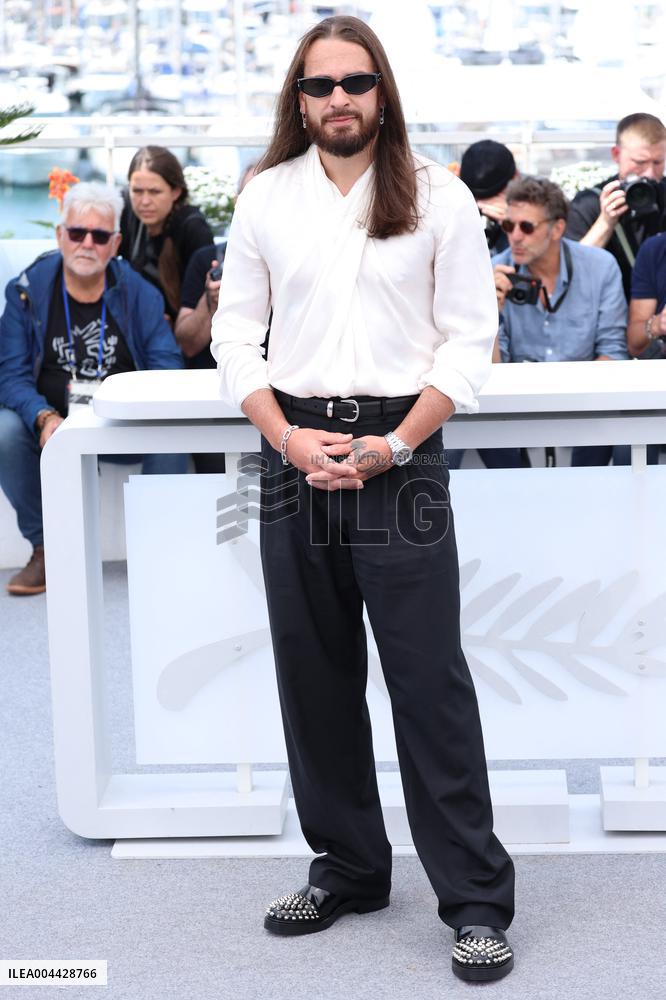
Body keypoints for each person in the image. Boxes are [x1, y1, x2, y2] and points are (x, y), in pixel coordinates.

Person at [211, 15, 515, 983]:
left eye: (353, 82)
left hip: (402, 451)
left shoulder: (442, 198)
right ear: (297, 101)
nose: (336, 99)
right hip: (294, 448)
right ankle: (348, 864)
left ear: (382, 90)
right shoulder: (264, 198)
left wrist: (390, 445)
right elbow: (234, 340)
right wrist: (289, 437)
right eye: (319, 85)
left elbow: (469, 347)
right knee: (314, 672)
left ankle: (474, 901)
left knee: (429, 682)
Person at [0, 181, 187, 596]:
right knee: (5, 430)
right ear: (59, 235)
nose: (87, 243)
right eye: (77, 232)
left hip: (122, 422)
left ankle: (157, 550)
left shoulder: (139, 293)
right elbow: (9, 374)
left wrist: (130, 408)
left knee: (174, 438)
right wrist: (43, 416)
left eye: (100, 235)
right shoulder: (26, 291)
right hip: (54, 424)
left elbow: (166, 365)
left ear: (115, 242)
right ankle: (45, 549)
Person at [493, 176, 631, 466]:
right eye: (509, 226)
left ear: (557, 228)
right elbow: (492, 372)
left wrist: (568, 395)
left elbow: (613, 353)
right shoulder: (494, 272)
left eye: (527, 227)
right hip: (515, 407)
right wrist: (488, 314)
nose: (515, 236)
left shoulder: (599, 267)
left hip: (587, 404)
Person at [452, 139, 523, 470]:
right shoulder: (449, 213)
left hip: (499, 364)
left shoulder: (522, 220)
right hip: (450, 365)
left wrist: (512, 225)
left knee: (511, 469)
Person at [565, 113, 666, 300]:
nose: (650, 174)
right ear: (616, 154)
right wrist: (605, 222)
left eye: (658, 162)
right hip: (609, 315)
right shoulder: (589, 202)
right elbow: (569, 272)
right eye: (640, 162)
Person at [119, 146, 214, 323]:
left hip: (181, 333)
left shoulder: (193, 229)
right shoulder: (126, 212)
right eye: (137, 191)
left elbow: (204, 304)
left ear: (176, 192)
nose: (145, 201)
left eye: (155, 192)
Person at [459, 139, 518, 257]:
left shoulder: (539, 199)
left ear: (516, 178)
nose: (485, 205)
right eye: (477, 198)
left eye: (495, 196)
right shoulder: (453, 204)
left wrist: (514, 222)